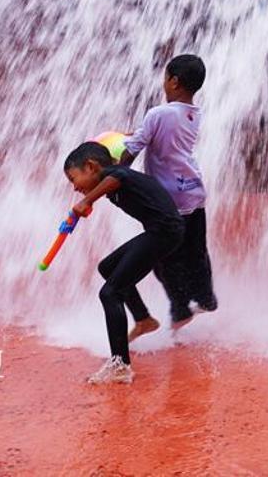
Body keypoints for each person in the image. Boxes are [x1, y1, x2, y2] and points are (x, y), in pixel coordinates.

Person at [64, 140, 184, 385]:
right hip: (160, 231)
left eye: (73, 179)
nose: (74, 188)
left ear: (91, 167)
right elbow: (119, 166)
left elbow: (117, 176)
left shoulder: (115, 175)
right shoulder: (113, 176)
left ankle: (120, 365)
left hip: (165, 232)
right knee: (107, 268)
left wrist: (87, 201)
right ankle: (143, 319)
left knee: (110, 293)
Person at [120, 53, 215, 330]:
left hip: (169, 198)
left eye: (165, 77)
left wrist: (113, 173)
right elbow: (160, 137)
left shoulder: (158, 114)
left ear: (173, 81)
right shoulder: (194, 114)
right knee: (196, 249)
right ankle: (206, 297)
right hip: (194, 191)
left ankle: (180, 307)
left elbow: (132, 151)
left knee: (163, 257)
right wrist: (138, 133)